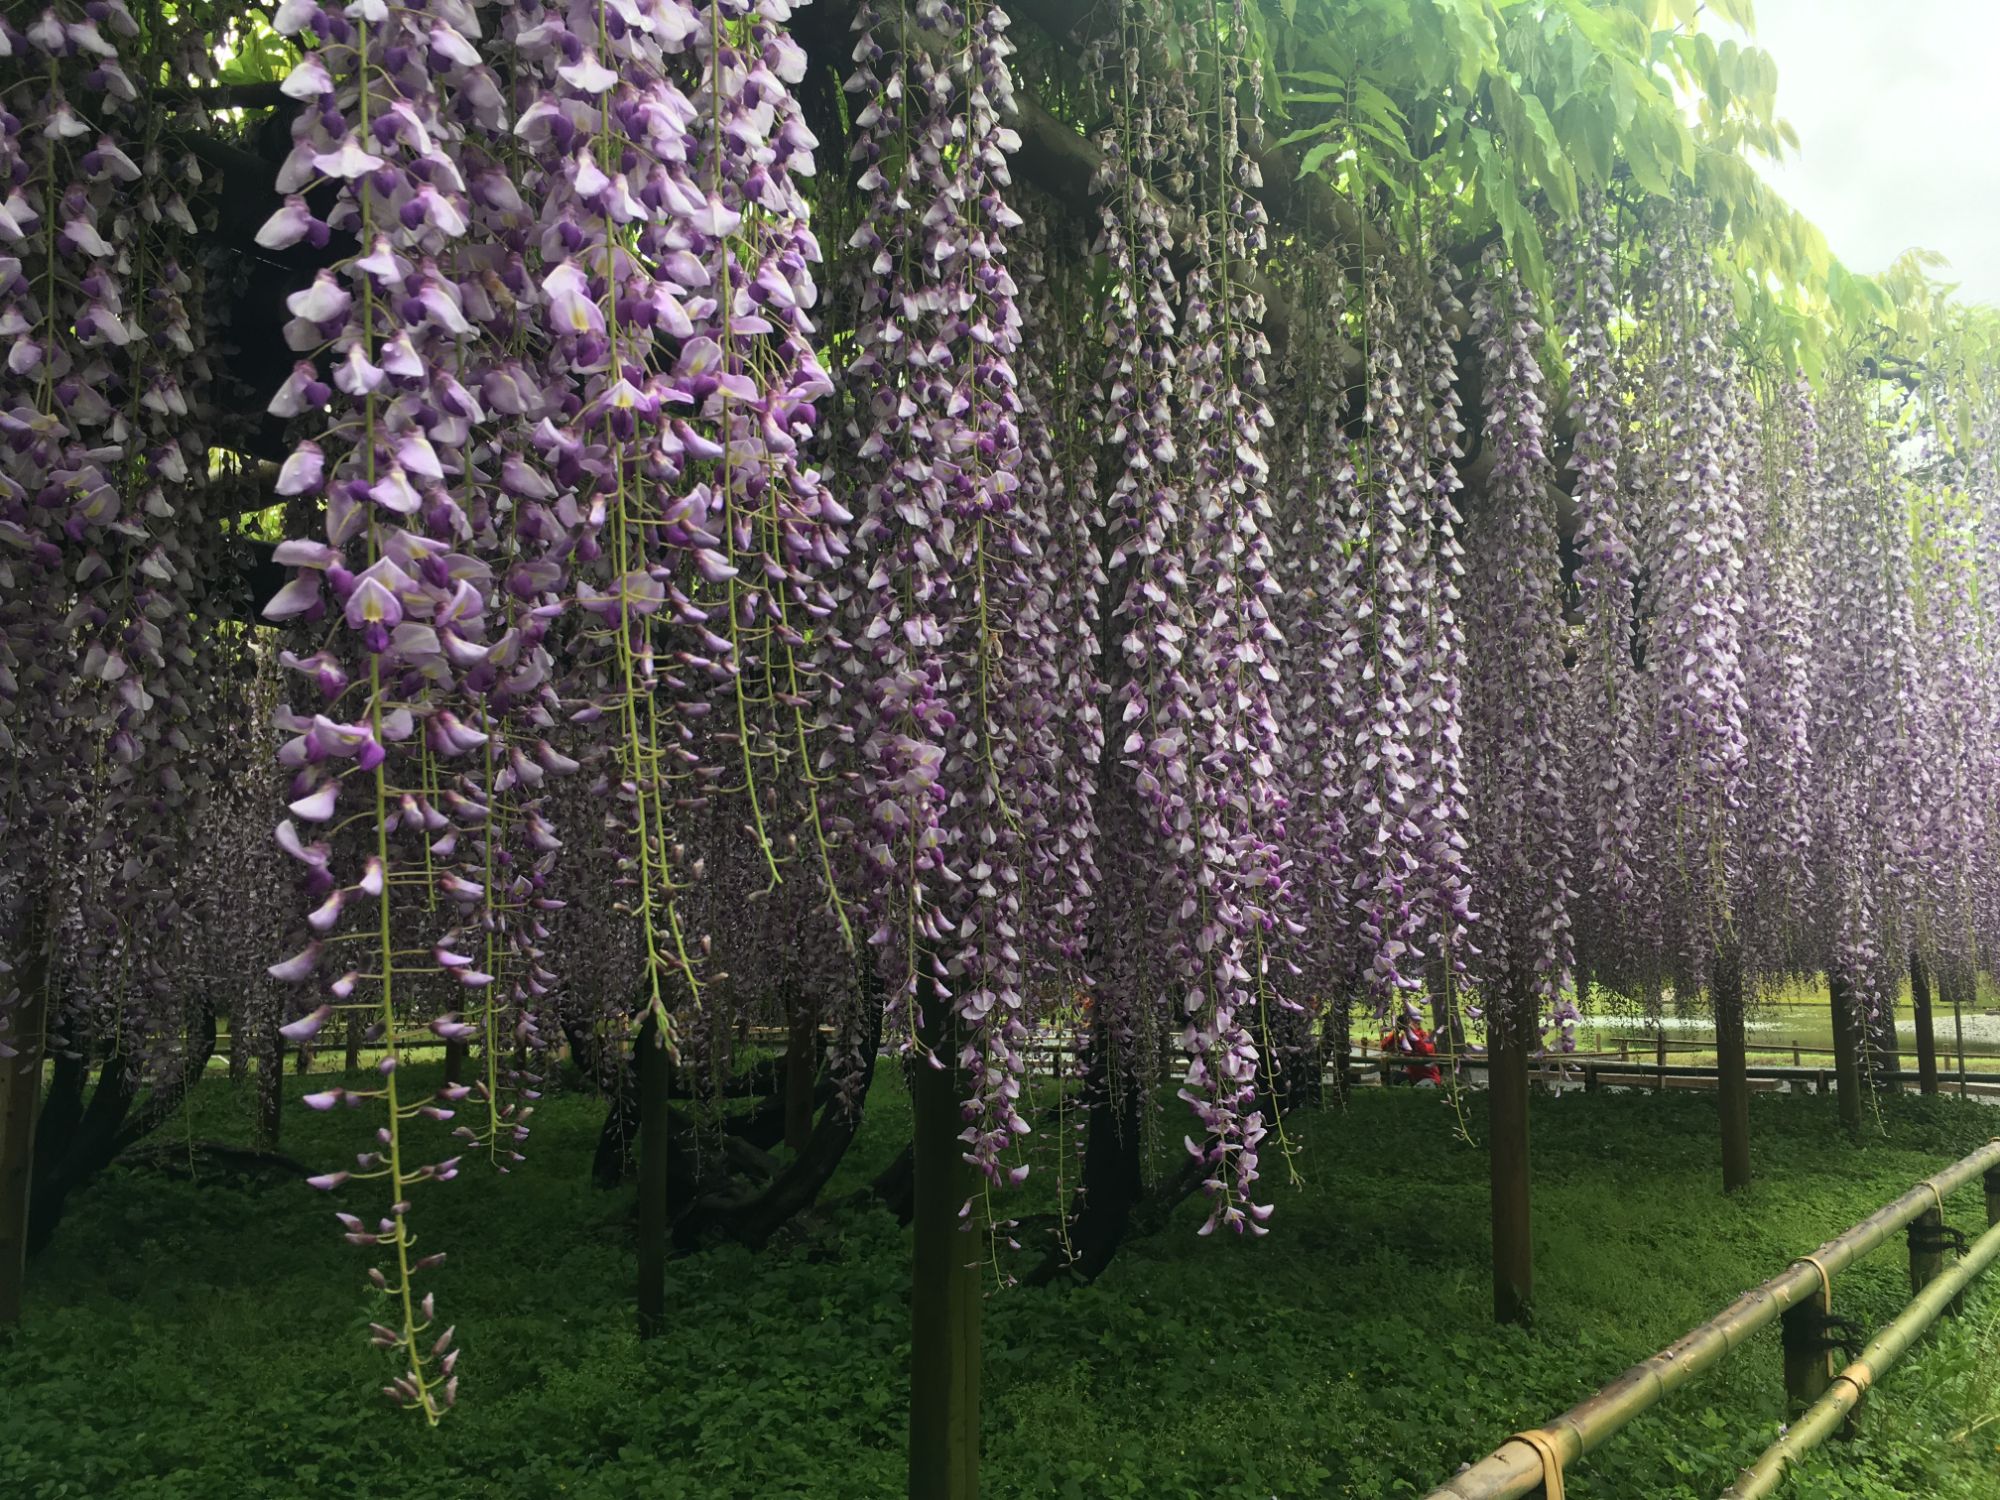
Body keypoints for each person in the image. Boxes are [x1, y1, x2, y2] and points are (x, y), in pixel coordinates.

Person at [1379, 1017, 1443, 1087]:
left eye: (1410, 1022)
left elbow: (1423, 1051)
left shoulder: (1427, 1038)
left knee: (1421, 1086)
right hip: (1413, 1078)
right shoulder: (1405, 1039)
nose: (1407, 1026)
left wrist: (1410, 1031)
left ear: (1418, 1024)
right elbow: (1385, 1047)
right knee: (1393, 1076)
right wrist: (1396, 1031)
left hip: (1430, 1079)